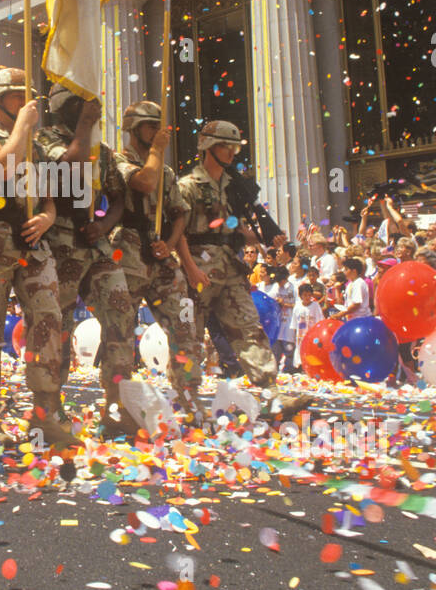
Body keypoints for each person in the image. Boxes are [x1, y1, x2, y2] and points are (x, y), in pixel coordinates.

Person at [176, 120, 309, 419]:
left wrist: (261, 238)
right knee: (191, 337)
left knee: (250, 330)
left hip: (230, 266)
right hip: (199, 266)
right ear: (209, 147)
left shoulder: (234, 187)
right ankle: (188, 402)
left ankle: (272, 395)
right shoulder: (187, 186)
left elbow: (233, 225)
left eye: (235, 147)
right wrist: (190, 268)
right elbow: (178, 233)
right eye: (227, 146)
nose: (233, 153)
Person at [0, 68, 73, 445]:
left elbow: (50, 199)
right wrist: (23, 128)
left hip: (34, 244)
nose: (27, 103)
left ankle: (44, 414)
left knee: (48, 317)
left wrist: (48, 217)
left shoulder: (40, 146)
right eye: (18, 96)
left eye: (28, 97)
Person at [33, 85, 139, 436]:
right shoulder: (46, 137)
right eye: (82, 104)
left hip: (95, 242)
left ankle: (116, 406)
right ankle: (49, 408)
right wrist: (84, 128)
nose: (91, 110)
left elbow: (118, 196)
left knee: (121, 314)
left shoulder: (102, 151)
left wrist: (106, 224)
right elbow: (66, 166)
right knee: (56, 326)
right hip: (60, 238)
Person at [113, 100, 207, 426]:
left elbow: (179, 213)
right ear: (134, 129)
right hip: (126, 257)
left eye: (157, 126)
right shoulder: (118, 162)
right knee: (121, 335)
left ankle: (190, 395)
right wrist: (158, 150)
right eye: (149, 126)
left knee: (186, 327)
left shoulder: (166, 171)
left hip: (160, 259)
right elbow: (144, 182)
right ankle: (120, 406)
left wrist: (171, 247)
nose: (156, 132)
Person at [290, 282, 324, 372]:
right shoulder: (297, 306)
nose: (307, 297)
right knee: (300, 350)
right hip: (300, 335)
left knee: (312, 352)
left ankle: (312, 369)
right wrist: (294, 336)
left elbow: (320, 320)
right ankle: (301, 368)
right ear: (300, 296)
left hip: (312, 335)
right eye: (305, 295)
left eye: (309, 295)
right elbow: (294, 322)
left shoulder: (315, 306)